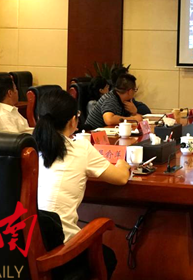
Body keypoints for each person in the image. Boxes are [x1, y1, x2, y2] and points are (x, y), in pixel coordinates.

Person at [35, 89, 130, 279]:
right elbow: (121, 178)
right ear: (73, 121)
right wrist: (123, 163)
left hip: (26, 245)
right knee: (107, 257)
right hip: (59, 249)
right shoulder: (79, 148)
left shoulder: (28, 148)